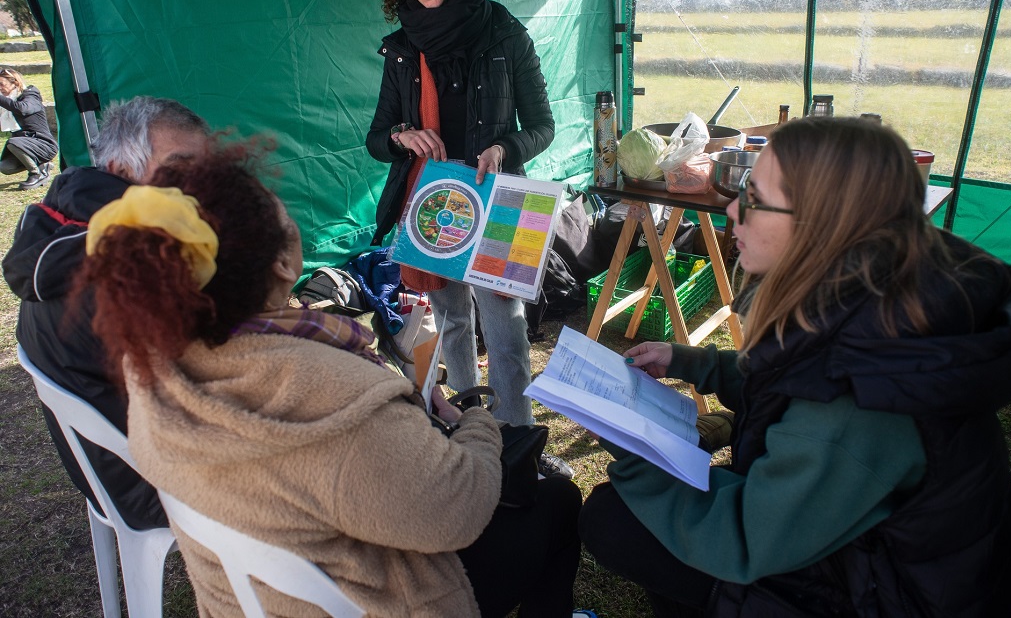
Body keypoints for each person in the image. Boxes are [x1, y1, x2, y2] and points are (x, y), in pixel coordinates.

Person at [75, 146, 583, 617]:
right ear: (282, 264)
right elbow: (457, 510)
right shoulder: (338, 393)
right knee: (559, 500)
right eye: (286, 217)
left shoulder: (149, 370)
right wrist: (474, 423)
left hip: (251, 602)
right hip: (379, 599)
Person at [579, 116, 1011, 617]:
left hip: (883, 594)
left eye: (755, 198)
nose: (733, 209)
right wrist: (692, 362)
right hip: (869, 556)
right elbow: (799, 378)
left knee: (615, 521)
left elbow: (740, 540)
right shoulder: (878, 297)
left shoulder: (863, 401)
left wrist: (636, 451)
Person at [365, 0, 557, 439]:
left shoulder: (504, 33)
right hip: (434, 200)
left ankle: (519, 441)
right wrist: (404, 137)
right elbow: (376, 138)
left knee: (506, 331)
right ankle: (471, 430)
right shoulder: (402, 49)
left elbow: (543, 126)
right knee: (451, 320)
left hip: (497, 197)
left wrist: (505, 146)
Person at [2, 96, 211, 530]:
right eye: (178, 165)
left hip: (108, 469)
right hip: (153, 484)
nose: (198, 183)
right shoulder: (134, 258)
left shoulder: (68, 212)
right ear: (119, 170)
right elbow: (214, 378)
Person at [0, 68, 58, 189]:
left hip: (44, 144)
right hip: (24, 145)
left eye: (1, 84)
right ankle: (42, 165)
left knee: (12, 142)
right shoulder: (7, 102)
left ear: (15, 83)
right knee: (5, 167)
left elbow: (23, 109)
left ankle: (37, 174)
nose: (0, 88)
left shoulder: (31, 94)